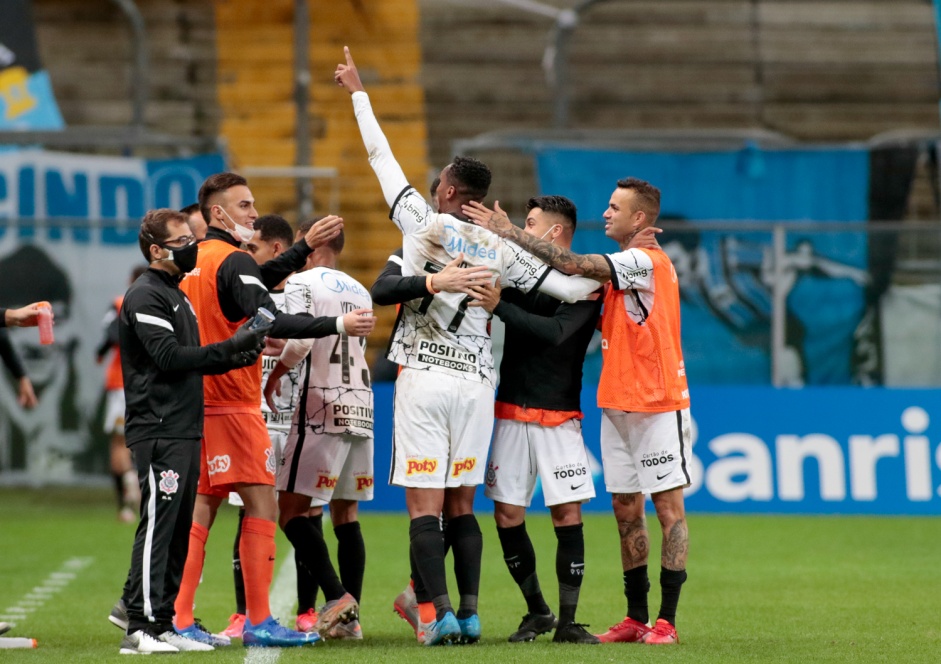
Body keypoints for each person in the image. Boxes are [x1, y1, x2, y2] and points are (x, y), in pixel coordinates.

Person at [336, 46, 602, 646]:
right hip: (478, 384)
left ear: (447, 188)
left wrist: (358, 92)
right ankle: (472, 616)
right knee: (463, 506)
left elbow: (381, 159)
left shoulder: (421, 224)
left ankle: (434, 615)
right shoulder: (505, 247)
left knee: (425, 507)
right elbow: (566, 282)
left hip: (425, 376)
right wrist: (622, 270)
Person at [463, 177, 690, 645]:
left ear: (639, 219)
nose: (605, 214)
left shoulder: (642, 260)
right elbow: (566, 281)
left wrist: (507, 231)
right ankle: (635, 617)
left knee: (668, 509)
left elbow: (568, 263)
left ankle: (665, 621)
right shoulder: (618, 267)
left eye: (614, 207)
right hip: (616, 403)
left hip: (657, 402)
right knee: (626, 510)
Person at [172, 172, 374, 648]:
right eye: (244, 206)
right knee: (266, 507)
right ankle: (260, 620)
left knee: (203, 509)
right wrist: (337, 323)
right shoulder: (234, 258)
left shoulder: (197, 261)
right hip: (237, 404)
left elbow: (253, 286)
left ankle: (180, 616)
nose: (252, 213)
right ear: (218, 213)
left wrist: (301, 248)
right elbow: (273, 313)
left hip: (199, 402)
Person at [116, 208, 269, 655]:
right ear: (156, 250)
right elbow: (169, 357)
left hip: (183, 425)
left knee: (179, 525)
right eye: (182, 241)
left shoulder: (175, 293)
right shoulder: (144, 296)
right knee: (160, 524)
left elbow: (194, 356)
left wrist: (237, 355)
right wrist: (231, 347)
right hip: (158, 426)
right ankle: (139, 627)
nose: (191, 248)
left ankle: (163, 623)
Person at [473, 195, 604, 644]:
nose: (521, 231)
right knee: (508, 514)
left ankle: (568, 622)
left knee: (565, 513)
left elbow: (555, 334)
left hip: (559, 414)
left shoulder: (586, 282)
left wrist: (500, 307)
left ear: (556, 233)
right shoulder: (518, 277)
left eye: (529, 224)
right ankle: (538, 612)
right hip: (511, 409)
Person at [263, 225, 373, 641]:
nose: (297, 252)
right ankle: (350, 623)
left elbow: (304, 341)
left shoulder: (302, 281)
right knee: (346, 514)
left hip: (319, 406)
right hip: (361, 405)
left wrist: (277, 375)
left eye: (301, 244)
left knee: (289, 510)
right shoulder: (360, 289)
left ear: (315, 247)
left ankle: (337, 596)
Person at [96, 265, 148, 523]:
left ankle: (125, 502)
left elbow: (110, 335)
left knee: (119, 442)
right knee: (146, 440)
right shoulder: (165, 301)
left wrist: (101, 350)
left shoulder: (121, 303)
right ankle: (143, 493)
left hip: (121, 383)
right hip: (151, 381)